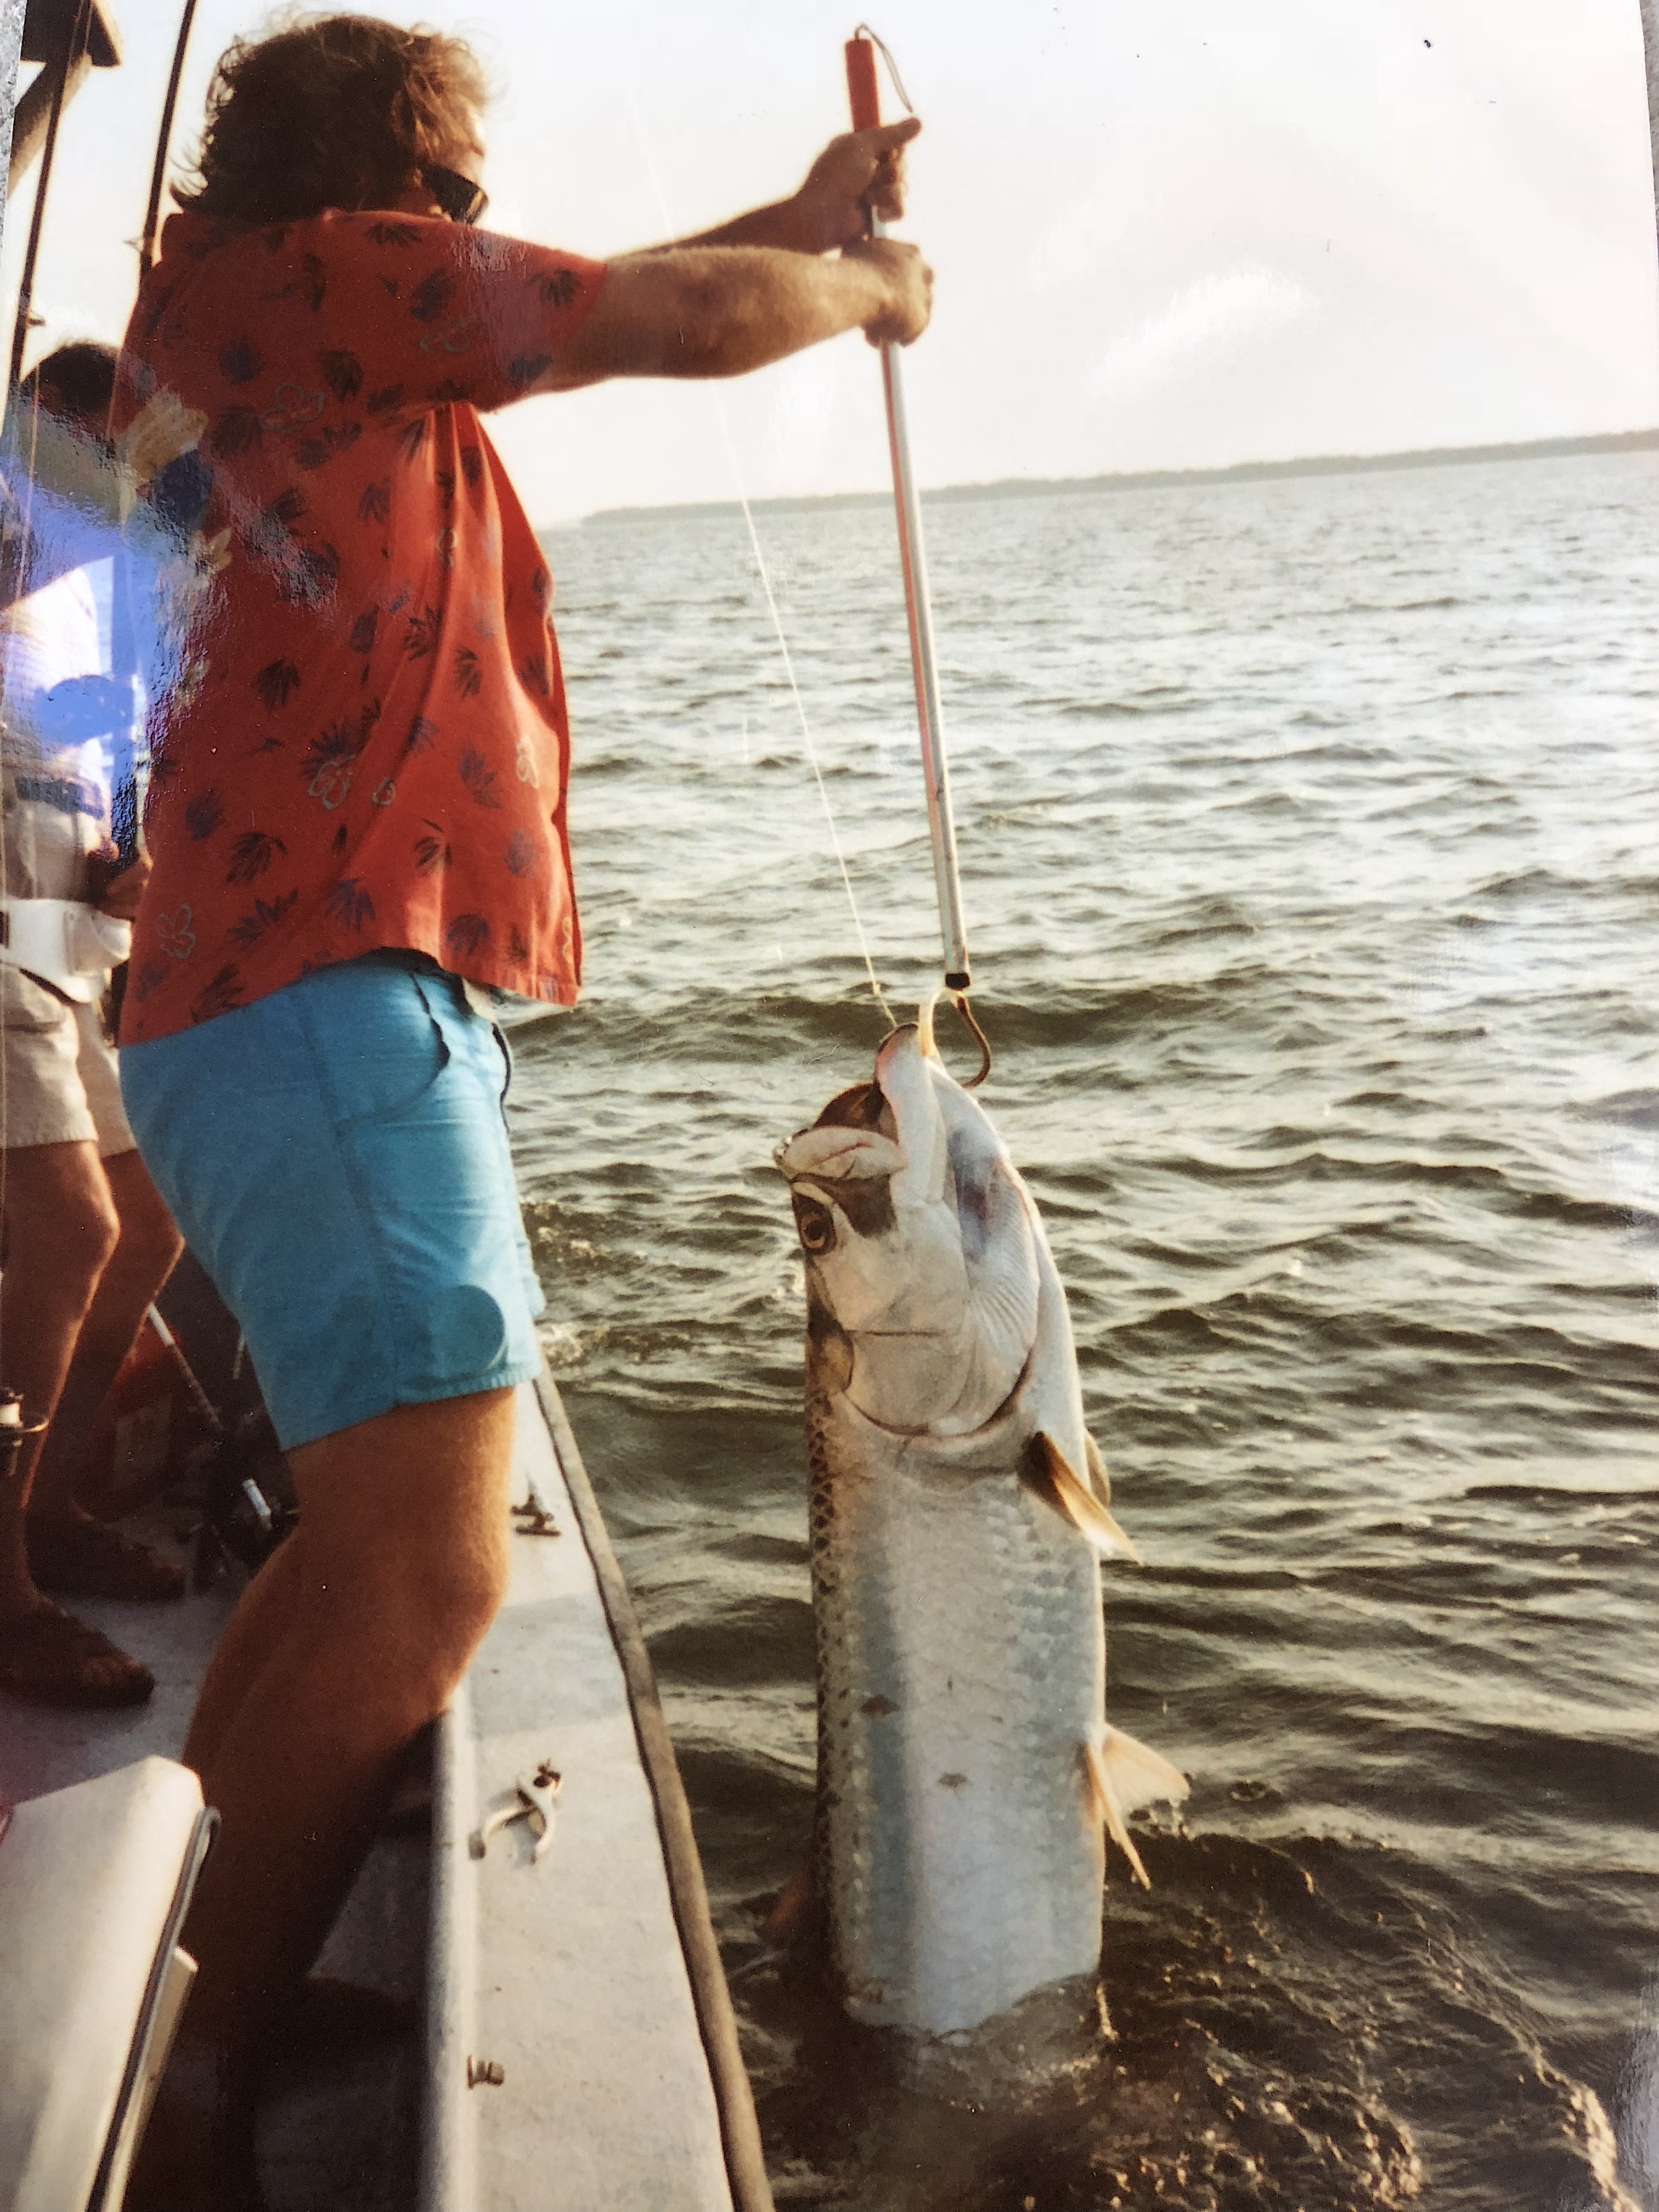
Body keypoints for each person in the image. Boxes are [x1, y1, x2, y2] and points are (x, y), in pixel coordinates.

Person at [111, 15, 930, 2204]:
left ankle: (211, 1974)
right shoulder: (326, 277)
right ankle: (187, 2107)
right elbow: (667, 317)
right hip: (320, 1004)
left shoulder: (268, 319)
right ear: (385, 183)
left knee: (343, 1564)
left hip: (266, 1013)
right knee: (427, 1580)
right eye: (457, 195)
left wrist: (802, 217)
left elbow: (621, 285)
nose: (468, 235)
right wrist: (866, 286)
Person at [0, 342, 187, 1710]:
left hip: (65, 948)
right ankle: (2, 1588)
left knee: (150, 1222)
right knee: (72, 1231)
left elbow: (106, 779)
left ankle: (49, 1504)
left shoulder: (98, 605)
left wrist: (131, 859)